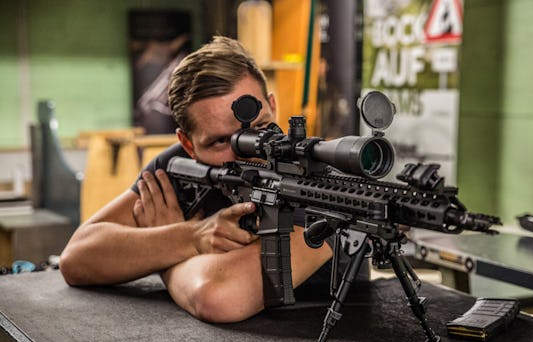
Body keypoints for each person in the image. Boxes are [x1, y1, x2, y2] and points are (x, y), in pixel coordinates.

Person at [59, 36, 335, 323]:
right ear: (188, 144)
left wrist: (168, 255)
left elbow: (219, 297)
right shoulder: (180, 167)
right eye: (220, 141)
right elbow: (77, 258)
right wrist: (191, 237)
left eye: (261, 127)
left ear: (273, 106)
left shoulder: (311, 178)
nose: (250, 149)